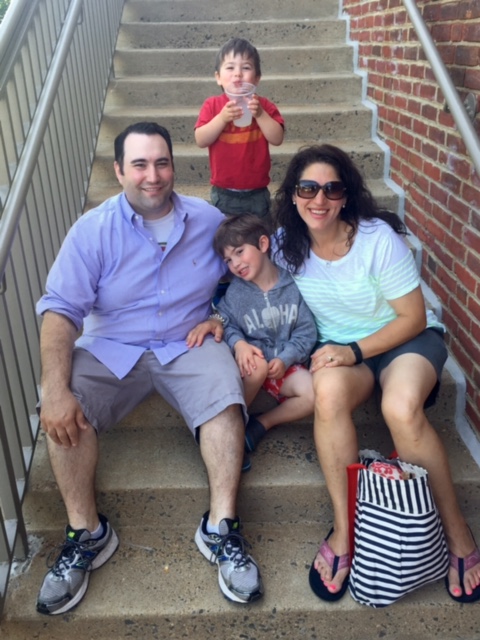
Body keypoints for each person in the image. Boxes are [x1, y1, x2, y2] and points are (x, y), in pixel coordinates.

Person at [35, 122, 264, 616]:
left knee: (226, 396)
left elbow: (248, 272)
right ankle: (86, 534)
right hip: (112, 346)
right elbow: (59, 311)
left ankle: (221, 528)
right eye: (139, 164)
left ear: (173, 167)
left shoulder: (206, 220)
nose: (152, 175)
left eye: (161, 162)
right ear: (119, 170)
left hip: (186, 342)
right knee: (63, 404)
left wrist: (222, 319)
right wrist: (54, 389)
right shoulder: (92, 230)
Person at [273, 143, 480, 604]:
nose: (319, 199)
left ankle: (459, 534)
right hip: (348, 356)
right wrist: (220, 324)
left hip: (406, 341)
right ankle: (346, 533)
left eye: (332, 188)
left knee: (400, 408)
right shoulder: (288, 246)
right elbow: (253, 289)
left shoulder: (375, 239)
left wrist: (350, 350)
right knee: (326, 393)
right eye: (307, 188)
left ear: (346, 196)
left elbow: (412, 317)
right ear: (292, 195)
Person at [213, 214, 316, 455]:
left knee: (313, 394)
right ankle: (232, 425)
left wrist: (286, 358)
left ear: (262, 244)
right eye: (228, 259)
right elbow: (223, 320)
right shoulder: (237, 293)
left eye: (239, 252)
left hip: (283, 366)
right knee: (257, 366)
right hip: (252, 367)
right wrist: (239, 344)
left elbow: (306, 330)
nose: (235, 264)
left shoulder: (292, 285)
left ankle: (261, 423)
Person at [195, 37, 284, 219]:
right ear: (218, 77)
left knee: (259, 238)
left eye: (246, 67)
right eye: (230, 67)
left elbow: (277, 138)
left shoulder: (263, 106)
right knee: (226, 240)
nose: (238, 74)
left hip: (257, 193)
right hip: (224, 193)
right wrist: (221, 118)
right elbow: (201, 139)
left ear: (257, 78)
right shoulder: (212, 105)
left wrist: (260, 115)